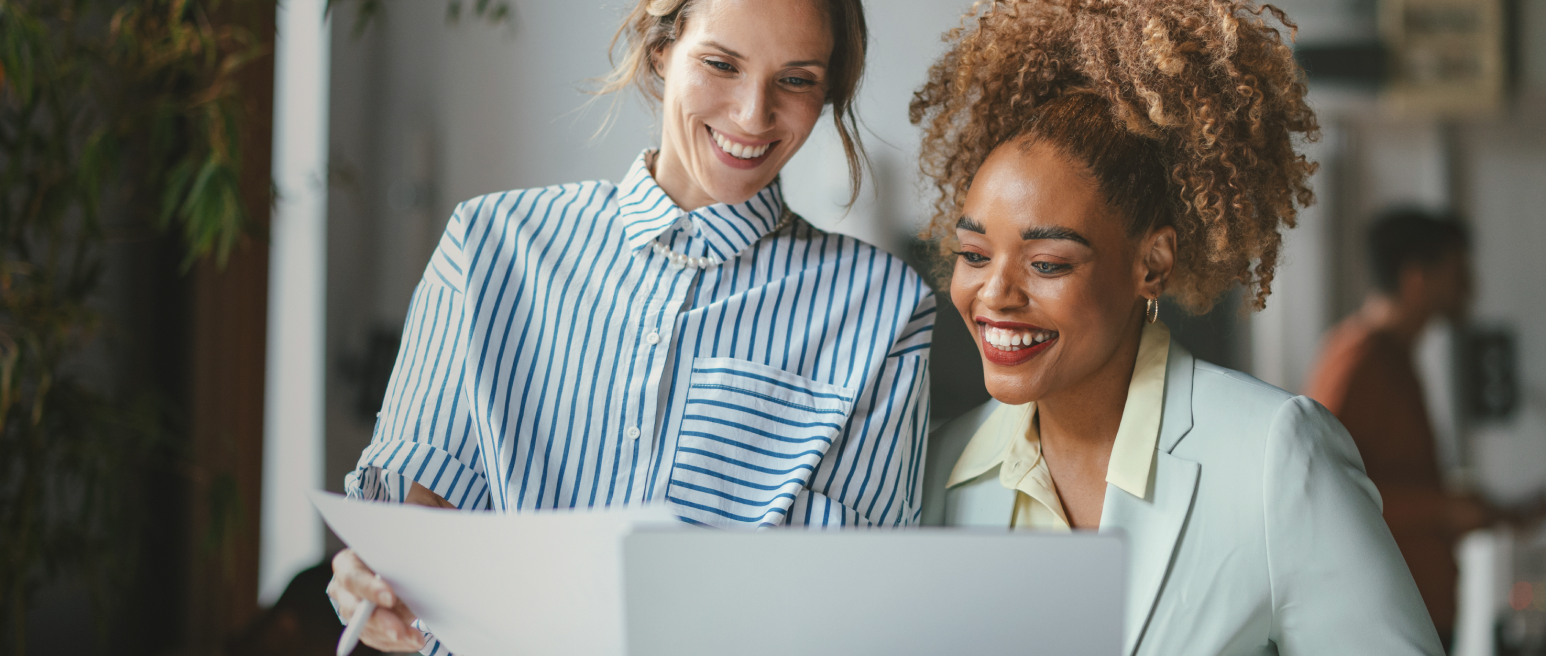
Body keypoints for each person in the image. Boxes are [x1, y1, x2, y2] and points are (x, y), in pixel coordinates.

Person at [325, 0, 936, 653]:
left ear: (829, 92)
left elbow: (839, 608)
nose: (753, 114)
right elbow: (412, 537)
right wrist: (372, 584)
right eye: (721, 64)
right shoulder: (487, 246)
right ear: (660, 49)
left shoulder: (885, 310)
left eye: (796, 79)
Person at [911, 0, 1443, 653]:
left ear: (1152, 264)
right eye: (973, 255)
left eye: (1047, 262)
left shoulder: (1274, 458)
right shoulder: (934, 472)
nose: (993, 293)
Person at [1306, 209, 1484, 645]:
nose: (1469, 285)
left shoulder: (1397, 358)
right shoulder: (1358, 361)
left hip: (1414, 616)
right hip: (1381, 625)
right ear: (1416, 277)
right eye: (1456, 269)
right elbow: (1323, 494)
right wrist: (1443, 509)